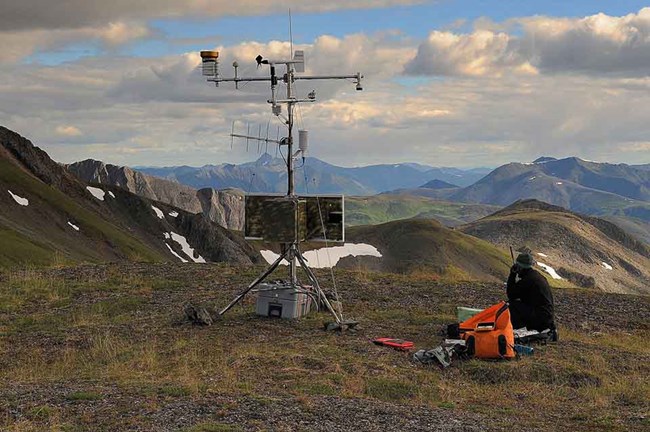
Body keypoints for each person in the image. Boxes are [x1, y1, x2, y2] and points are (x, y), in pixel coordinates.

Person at [507, 253, 558, 340]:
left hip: (540, 318)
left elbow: (511, 295)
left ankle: (513, 331)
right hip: (546, 317)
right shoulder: (536, 276)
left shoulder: (528, 280)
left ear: (520, 267)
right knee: (517, 305)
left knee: (510, 306)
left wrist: (512, 275)